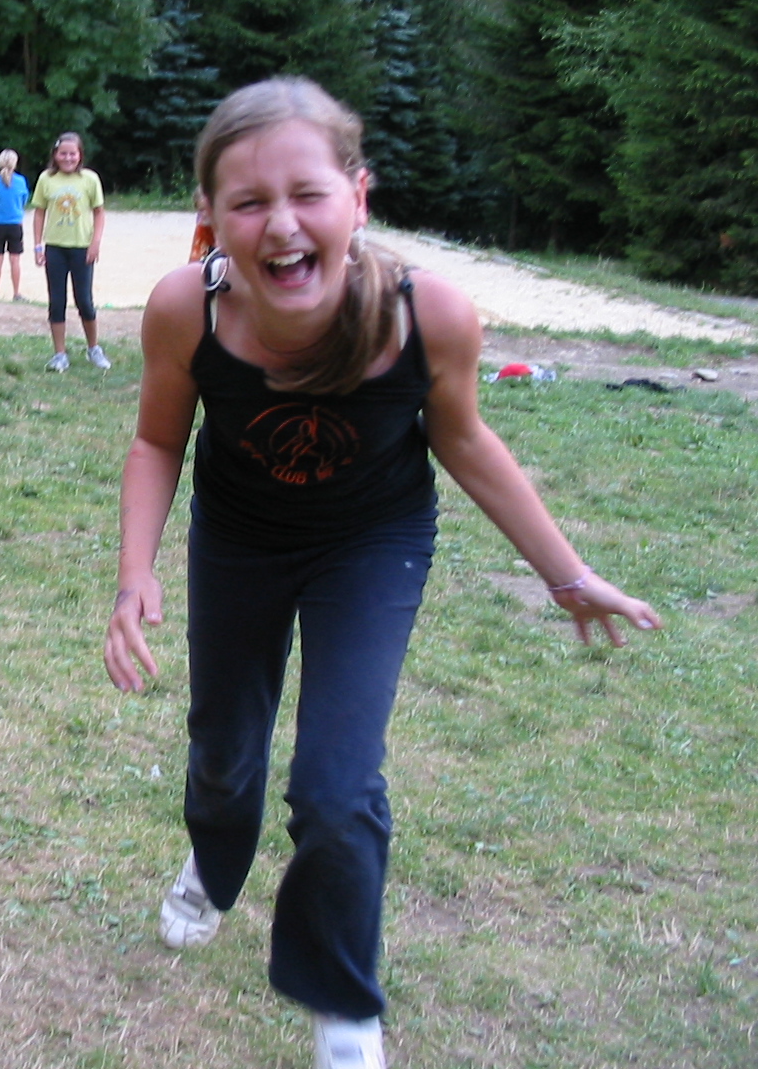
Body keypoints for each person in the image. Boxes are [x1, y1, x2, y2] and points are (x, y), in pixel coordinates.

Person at [102, 78, 662, 1069]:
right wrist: (133, 573)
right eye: (248, 201)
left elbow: (467, 443)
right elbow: (155, 443)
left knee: (336, 785)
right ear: (211, 218)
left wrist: (567, 576)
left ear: (357, 198)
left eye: (307, 193)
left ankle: (343, 1009)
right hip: (239, 540)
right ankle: (213, 867)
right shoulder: (187, 310)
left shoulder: (428, 314)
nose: (281, 224)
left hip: (371, 544)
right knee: (224, 755)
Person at [30, 132, 109, 371]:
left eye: (72, 153)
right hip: (55, 248)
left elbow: (99, 212)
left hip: (82, 248)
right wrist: (38, 245)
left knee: (84, 300)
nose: (68, 158)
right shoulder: (46, 179)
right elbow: (39, 213)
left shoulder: (89, 179)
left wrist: (95, 242)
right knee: (57, 301)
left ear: (80, 155)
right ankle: (59, 354)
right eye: (63, 153)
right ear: (55, 155)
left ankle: (93, 348)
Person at [0, 149, 29, 301]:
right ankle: (16, 293)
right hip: (15, 224)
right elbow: (23, 201)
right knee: (15, 260)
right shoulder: (21, 181)